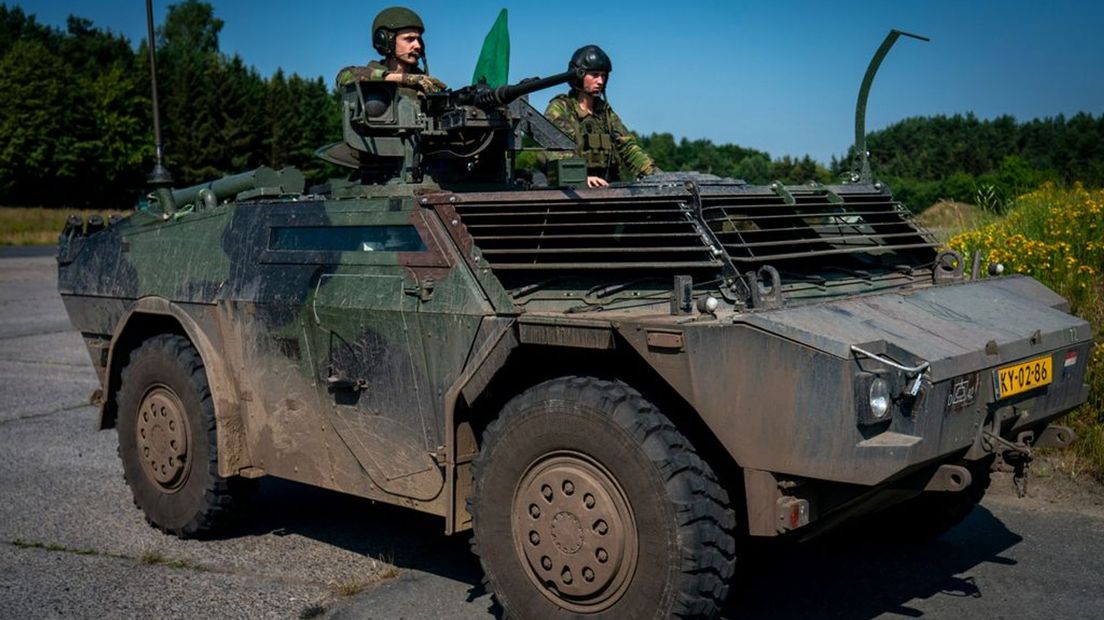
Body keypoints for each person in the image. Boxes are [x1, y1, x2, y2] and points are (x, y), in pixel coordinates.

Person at [544, 45, 656, 188]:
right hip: (572, 190)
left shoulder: (604, 112)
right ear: (578, 76)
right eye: (595, 75)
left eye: (603, 76)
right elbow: (556, 151)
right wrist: (581, 177)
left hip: (606, 186)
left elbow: (627, 147)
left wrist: (654, 173)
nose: (600, 81)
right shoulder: (560, 108)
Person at [335, 7, 447, 94]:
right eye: (409, 39)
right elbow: (343, 78)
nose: (417, 45)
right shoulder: (369, 74)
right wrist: (405, 79)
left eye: (419, 39)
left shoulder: (424, 83)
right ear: (386, 41)